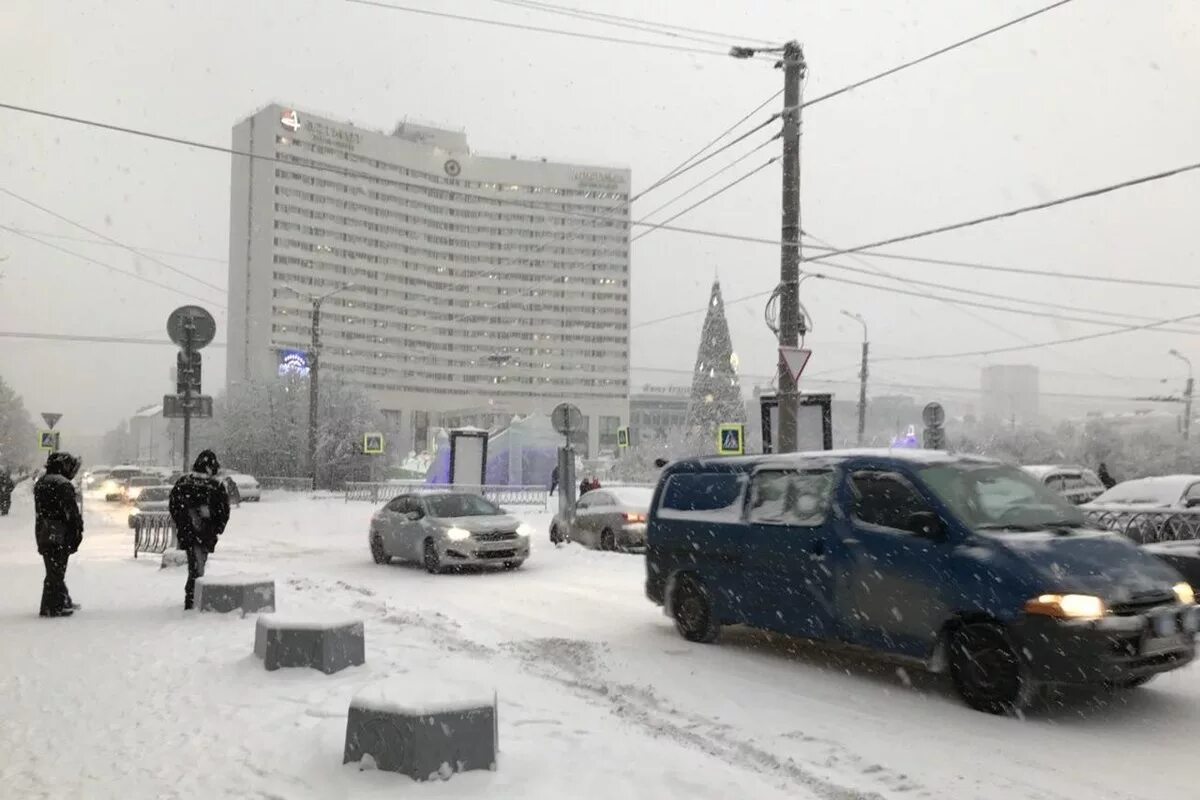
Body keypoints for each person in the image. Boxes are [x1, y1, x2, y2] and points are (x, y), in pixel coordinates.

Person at [169, 450, 230, 610]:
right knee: (197, 566)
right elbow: (223, 511)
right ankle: (192, 599)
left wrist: (182, 523)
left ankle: (192, 597)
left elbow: (174, 506)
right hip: (205, 534)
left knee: (195, 564)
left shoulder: (183, 483)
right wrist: (216, 528)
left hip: (188, 533)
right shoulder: (215, 486)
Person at [34, 452, 83, 618]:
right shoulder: (62, 485)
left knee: (52, 568)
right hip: (59, 533)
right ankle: (54, 605)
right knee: (56, 570)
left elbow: (39, 512)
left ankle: (58, 601)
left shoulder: (42, 483)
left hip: (44, 531)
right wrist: (77, 531)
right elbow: (71, 513)